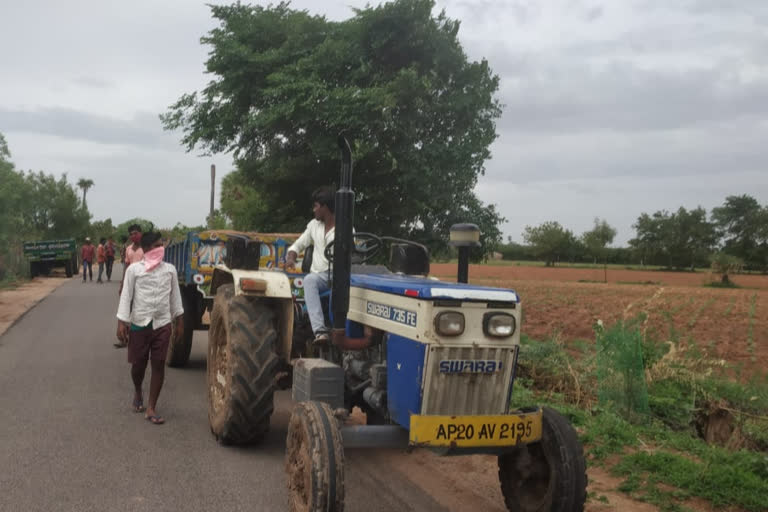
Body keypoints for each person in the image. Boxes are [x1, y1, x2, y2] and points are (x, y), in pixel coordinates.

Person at [116, 231, 183, 425]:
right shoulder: (134, 270)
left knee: (159, 364)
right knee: (138, 366)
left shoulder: (170, 270)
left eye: (161, 245)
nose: (159, 249)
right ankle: (138, 390)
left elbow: (175, 298)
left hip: (162, 324)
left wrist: (180, 321)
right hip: (139, 323)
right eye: (155, 245)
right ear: (146, 249)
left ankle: (152, 407)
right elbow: (126, 296)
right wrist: (122, 322)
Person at [285, 186, 335, 344]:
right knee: (309, 280)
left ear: (325, 207)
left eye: (316, 206)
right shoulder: (314, 226)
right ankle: (320, 331)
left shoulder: (346, 229)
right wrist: (291, 258)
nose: (314, 210)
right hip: (319, 277)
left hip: (339, 275)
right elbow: (297, 245)